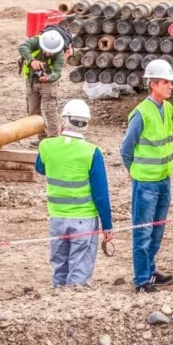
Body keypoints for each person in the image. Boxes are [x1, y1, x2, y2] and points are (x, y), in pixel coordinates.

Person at [35, 99, 113, 287]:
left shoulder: (47, 146)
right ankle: (73, 307)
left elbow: (40, 168)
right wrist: (107, 225)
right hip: (84, 220)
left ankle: (58, 305)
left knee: (59, 267)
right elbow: (101, 193)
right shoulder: (92, 152)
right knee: (79, 270)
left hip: (58, 219)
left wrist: (58, 138)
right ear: (86, 124)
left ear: (64, 120)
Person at [120, 59, 173, 293]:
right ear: (153, 84)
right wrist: (135, 172)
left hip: (163, 179)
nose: (170, 86)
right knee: (143, 231)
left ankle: (150, 271)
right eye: (165, 82)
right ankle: (142, 280)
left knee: (157, 229)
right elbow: (126, 149)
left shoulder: (169, 108)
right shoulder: (141, 113)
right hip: (146, 182)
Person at [19, 29, 66, 143]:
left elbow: (57, 72)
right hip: (31, 81)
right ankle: (41, 137)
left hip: (48, 84)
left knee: (50, 110)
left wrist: (48, 78)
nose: (48, 54)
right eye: (46, 51)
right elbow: (22, 47)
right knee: (33, 111)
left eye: (51, 52)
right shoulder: (36, 41)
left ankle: (53, 140)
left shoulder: (60, 54)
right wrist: (32, 60)